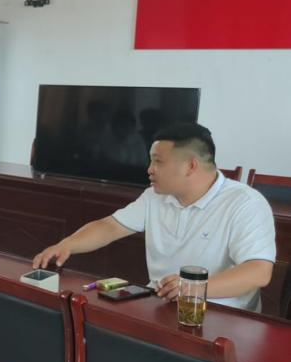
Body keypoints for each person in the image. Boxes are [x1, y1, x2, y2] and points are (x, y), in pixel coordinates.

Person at [33, 122, 275, 311]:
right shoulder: (155, 196)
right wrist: (68, 245)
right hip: (160, 304)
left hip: (221, 313)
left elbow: (258, 272)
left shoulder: (245, 203)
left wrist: (193, 288)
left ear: (190, 166)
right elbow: (110, 226)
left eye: (158, 162)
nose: (150, 170)